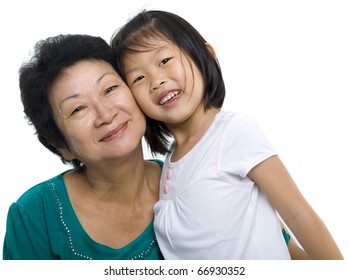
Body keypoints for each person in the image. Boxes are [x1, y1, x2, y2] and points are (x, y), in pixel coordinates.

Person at [110, 10, 343, 259]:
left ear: (205, 55)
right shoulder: (168, 166)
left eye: (165, 60)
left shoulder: (233, 131)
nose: (156, 81)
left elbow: (298, 214)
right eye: (139, 78)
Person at [3, 34, 165, 260]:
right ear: (60, 145)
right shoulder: (33, 215)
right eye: (78, 109)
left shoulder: (191, 182)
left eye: (109, 89)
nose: (106, 115)